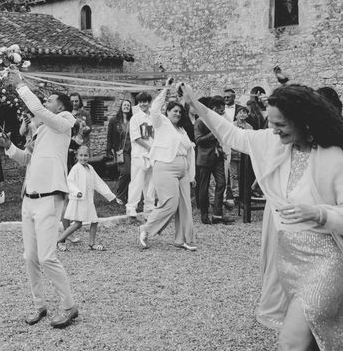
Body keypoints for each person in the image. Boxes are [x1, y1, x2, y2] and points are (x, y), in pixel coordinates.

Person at [182, 83, 343, 350]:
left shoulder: (335, 157)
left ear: (303, 120)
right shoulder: (274, 143)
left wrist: (319, 213)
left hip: (325, 262)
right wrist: (195, 106)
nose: (274, 129)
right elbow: (232, 135)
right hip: (288, 261)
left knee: (291, 341)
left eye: (280, 123)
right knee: (313, 339)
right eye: (271, 122)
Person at [0, 69, 79, 329]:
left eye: (51, 99)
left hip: (49, 198)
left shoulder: (64, 122)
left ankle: (69, 306)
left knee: (47, 257)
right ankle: (39, 305)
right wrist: (9, 147)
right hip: (29, 198)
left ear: (61, 106)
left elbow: (41, 112)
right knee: (29, 257)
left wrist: (21, 85)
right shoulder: (41, 131)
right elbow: (28, 160)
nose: (46, 103)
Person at [138, 81, 196, 252]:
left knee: (185, 206)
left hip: (183, 169)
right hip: (165, 167)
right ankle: (146, 229)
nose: (177, 113)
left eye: (179, 111)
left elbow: (189, 152)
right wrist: (166, 89)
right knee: (170, 203)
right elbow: (155, 109)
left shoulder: (183, 131)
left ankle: (182, 239)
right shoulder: (161, 122)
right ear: (167, 112)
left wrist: (192, 175)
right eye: (174, 111)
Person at [57, 145, 116, 251]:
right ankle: (60, 240)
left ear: (89, 156)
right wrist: (77, 192)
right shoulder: (76, 168)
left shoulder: (90, 168)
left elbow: (98, 182)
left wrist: (110, 195)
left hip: (88, 200)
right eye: (81, 155)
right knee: (78, 224)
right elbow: (69, 182)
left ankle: (92, 243)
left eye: (85, 155)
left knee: (94, 221)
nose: (83, 158)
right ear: (77, 156)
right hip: (79, 200)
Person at [194, 96, 231, 225]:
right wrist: (214, 134)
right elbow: (198, 141)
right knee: (203, 187)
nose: (222, 114)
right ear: (214, 108)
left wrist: (221, 148)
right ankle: (204, 215)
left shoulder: (219, 121)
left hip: (218, 157)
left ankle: (217, 215)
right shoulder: (200, 121)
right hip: (204, 158)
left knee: (221, 184)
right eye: (221, 111)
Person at [126, 92, 155, 217]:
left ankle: (149, 206)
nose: (143, 104)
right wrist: (150, 148)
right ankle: (131, 207)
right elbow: (136, 138)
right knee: (137, 181)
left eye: (145, 101)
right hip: (139, 154)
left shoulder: (153, 117)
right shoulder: (135, 118)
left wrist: (154, 150)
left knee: (151, 182)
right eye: (140, 102)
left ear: (149, 102)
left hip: (152, 155)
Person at [106, 99, 133, 205]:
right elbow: (109, 136)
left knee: (132, 174)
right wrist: (109, 150)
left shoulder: (133, 119)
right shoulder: (114, 120)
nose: (126, 107)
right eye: (124, 105)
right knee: (126, 172)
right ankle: (120, 195)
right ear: (121, 106)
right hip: (121, 151)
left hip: (132, 150)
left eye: (128, 105)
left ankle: (126, 196)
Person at [67, 92, 91, 169]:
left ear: (80, 101)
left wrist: (84, 128)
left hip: (82, 145)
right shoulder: (67, 113)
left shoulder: (85, 113)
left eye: (76, 101)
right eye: (72, 101)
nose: (74, 103)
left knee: (81, 167)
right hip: (70, 145)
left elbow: (89, 128)